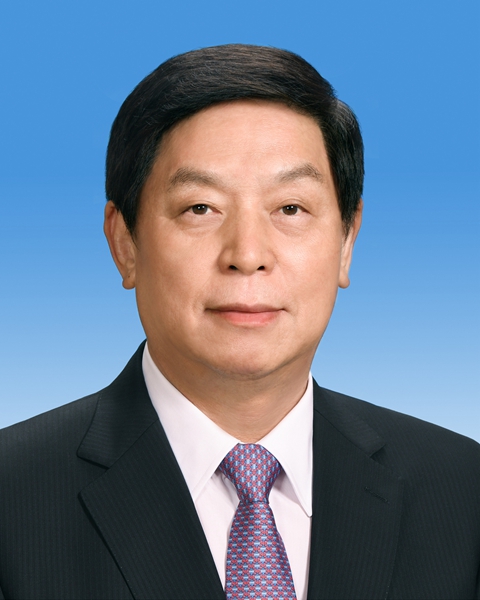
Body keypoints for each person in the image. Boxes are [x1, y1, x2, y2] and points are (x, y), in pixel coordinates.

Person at [0, 44, 478, 600]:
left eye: (290, 208)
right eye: (200, 208)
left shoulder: (462, 489)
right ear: (124, 243)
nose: (247, 254)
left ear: (347, 240)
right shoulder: (13, 498)